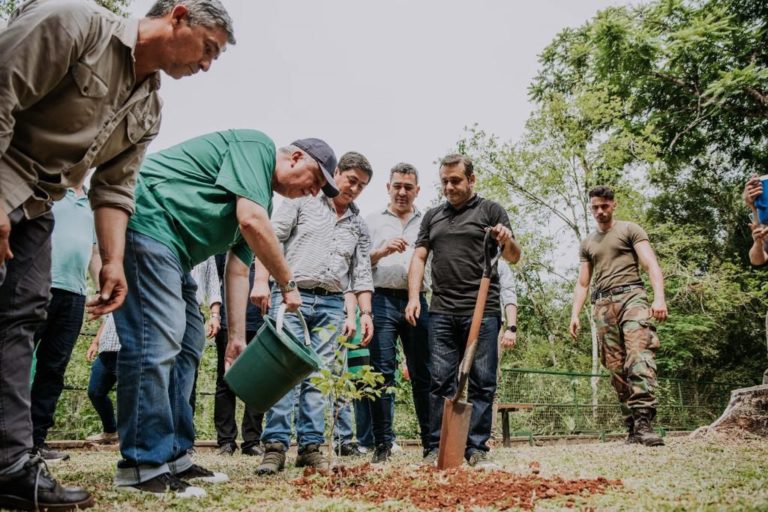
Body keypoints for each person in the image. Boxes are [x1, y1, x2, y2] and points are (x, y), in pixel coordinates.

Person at [0, 0, 234, 508]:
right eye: (208, 48)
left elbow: (114, 188)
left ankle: (11, 465)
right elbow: (2, 91)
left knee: (19, 322)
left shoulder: (149, 106)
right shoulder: (75, 23)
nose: (207, 65)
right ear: (178, 14)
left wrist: (111, 259)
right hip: (4, 177)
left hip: (41, 204)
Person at [112, 130, 339, 497]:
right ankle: (141, 465)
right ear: (296, 158)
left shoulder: (255, 197)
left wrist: (236, 338)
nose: (313, 192)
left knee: (188, 345)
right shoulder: (257, 148)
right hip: (146, 222)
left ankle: (176, 456)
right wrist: (287, 282)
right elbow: (251, 221)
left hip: (175, 254)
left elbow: (237, 270)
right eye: (316, 181)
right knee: (155, 343)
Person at [251, 151, 374, 475]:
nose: (355, 189)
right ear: (336, 174)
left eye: (362, 185)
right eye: (351, 180)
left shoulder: (359, 225)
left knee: (319, 377)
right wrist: (262, 282)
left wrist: (366, 314)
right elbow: (268, 240)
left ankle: (310, 447)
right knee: (285, 372)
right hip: (292, 297)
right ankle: (274, 448)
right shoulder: (301, 201)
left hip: (333, 303)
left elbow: (361, 273)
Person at [406, 154, 521, 469]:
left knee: (483, 380)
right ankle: (435, 446)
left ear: (472, 179)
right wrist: (414, 296)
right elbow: (418, 258)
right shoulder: (432, 216)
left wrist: (506, 239)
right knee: (440, 381)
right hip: (441, 310)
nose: (449, 186)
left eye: (455, 180)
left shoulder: (490, 210)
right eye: (444, 180)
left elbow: (513, 256)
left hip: (482, 310)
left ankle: (476, 448)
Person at [569, 185, 667, 447]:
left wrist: (659, 298)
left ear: (614, 205)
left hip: (632, 296)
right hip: (603, 305)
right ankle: (632, 425)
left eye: (604, 206)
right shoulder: (588, 243)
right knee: (615, 367)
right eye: (595, 207)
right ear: (590, 208)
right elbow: (582, 283)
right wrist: (575, 314)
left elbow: (650, 264)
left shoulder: (629, 230)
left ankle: (645, 421)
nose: (600, 211)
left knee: (639, 355)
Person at [365, 162, 431, 464]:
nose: (402, 192)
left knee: (423, 372)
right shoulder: (371, 221)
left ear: (417, 190)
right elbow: (359, 265)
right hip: (381, 300)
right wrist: (381, 251)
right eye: (397, 186)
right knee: (381, 373)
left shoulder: (429, 220)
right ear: (387, 187)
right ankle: (382, 443)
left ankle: (432, 442)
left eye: (408, 187)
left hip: (418, 301)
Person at [29, 184, 100, 463]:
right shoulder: (48, 189)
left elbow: (94, 253)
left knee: (53, 369)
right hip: (37, 287)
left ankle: (36, 442)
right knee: (16, 364)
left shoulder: (93, 203)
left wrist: (102, 288)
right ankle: (9, 440)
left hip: (75, 296)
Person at [212, 253, 265, 457]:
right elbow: (217, 279)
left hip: (260, 322)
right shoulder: (227, 241)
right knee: (226, 380)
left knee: (258, 382)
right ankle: (226, 441)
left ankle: (252, 441)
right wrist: (215, 315)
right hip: (229, 322)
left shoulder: (267, 239)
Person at [189, 256, 222, 417]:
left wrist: (214, 315)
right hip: (165, 308)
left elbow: (213, 282)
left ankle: (184, 431)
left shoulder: (207, 251)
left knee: (189, 373)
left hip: (195, 311)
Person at [85, 314, 121, 445]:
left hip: (124, 350)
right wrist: (95, 343)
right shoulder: (114, 297)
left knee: (128, 397)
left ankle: (130, 436)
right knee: (95, 392)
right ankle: (110, 432)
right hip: (105, 351)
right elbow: (106, 320)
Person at [498, 263, 518, 351]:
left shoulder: (500, 265)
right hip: (456, 321)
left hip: (493, 325)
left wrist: (511, 328)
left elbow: (508, 294)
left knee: (489, 364)